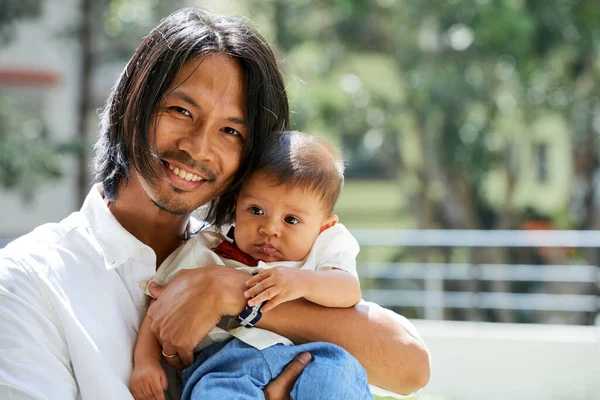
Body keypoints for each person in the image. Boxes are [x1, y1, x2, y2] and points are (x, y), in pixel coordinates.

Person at [0, 7, 430, 400]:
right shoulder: (29, 281)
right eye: (181, 111)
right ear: (133, 103)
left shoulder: (243, 253)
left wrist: (231, 294)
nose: (199, 147)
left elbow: (409, 366)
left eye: (231, 132)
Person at [130, 131, 372, 400]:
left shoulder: (325, 245)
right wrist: (146, 362)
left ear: (324, 225)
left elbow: (349, 290)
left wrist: (302, 282)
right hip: (225, 365)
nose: (269, 229)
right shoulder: (207, 247)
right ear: (236, 207)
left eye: (291, 220)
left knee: (336, 380)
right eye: (256, 210)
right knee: (214, 394)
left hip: (312, 354)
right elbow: (160, 305)